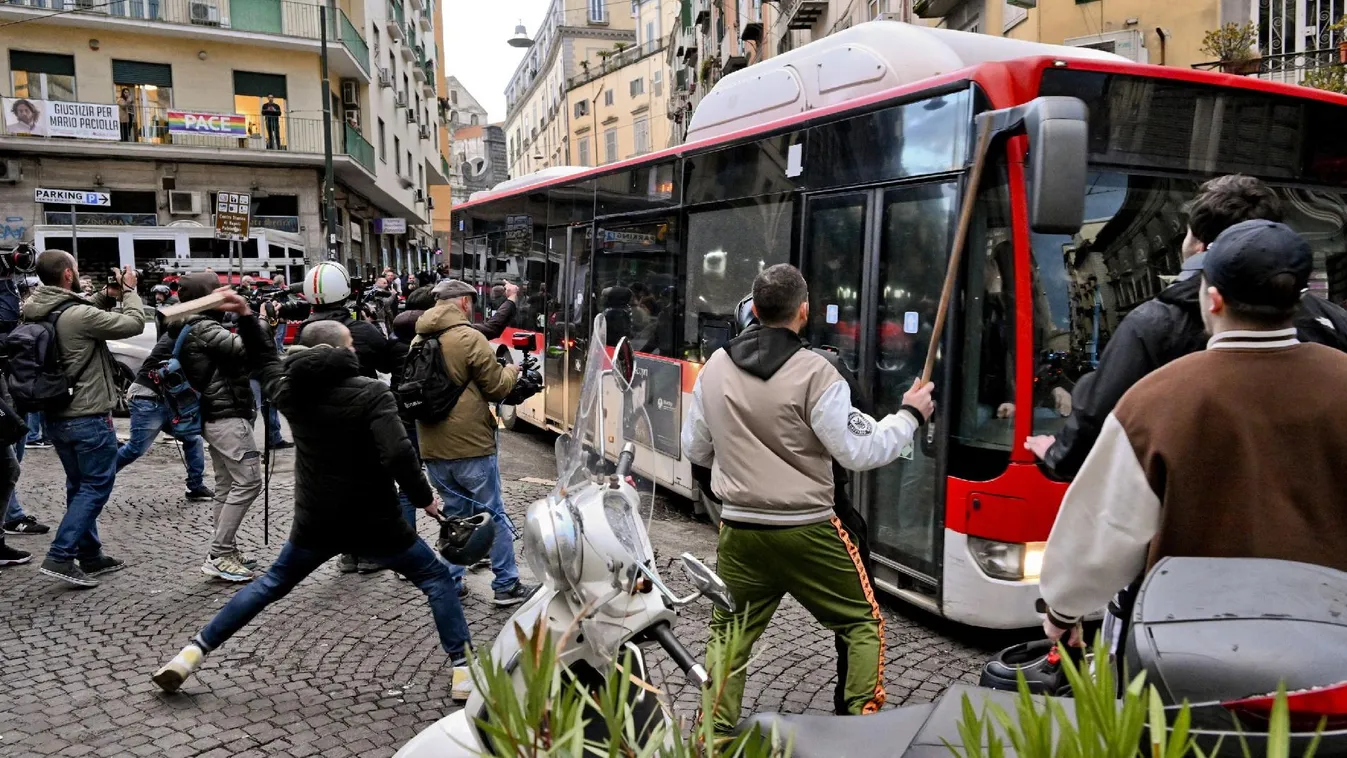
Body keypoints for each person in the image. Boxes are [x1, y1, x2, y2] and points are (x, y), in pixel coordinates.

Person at [1039, 220, 1347, 645]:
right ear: (1296, 299)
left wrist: (1062, 610)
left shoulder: (1155, 399)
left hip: (1192, 644)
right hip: (1330, 639)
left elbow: (1105, 531)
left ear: (1213, 299)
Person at [151, 297, 475, 698]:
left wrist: (248, 317)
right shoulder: (372, 393)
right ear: (343, 352)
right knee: (434, 578)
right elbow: (397, 453)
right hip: (377, 520)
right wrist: (424, 498)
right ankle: (462, 670)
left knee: (270, 584)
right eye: (352, 347)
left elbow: (262, 360)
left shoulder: (290, 392)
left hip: (316, 519)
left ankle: (189, 655)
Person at [681, 264, 935, 732]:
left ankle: (710, 732)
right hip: (809, 529)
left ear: (753, 310)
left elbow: (695, 448)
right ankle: (862, 731)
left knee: (728, 631)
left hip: (740, 530)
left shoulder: (714, 366)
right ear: (804, 310)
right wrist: (910, 414)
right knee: (862, 624)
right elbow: (861, 449)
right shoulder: (818, 372)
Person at [1026, 174, 1347, 477]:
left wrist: (1059, 454)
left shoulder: (1155, 325)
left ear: (1198, 246)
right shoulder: (1329, 321)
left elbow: (1101, 422)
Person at [27, 252, 146, 587]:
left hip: (56, 414)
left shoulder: (37, 308)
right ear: (68, 274)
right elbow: (133, 324)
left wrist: (106, 295)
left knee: (78, 486)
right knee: (95, 486)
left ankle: (90, 555)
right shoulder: (76, 315)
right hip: (88, 415)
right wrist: (128, 291)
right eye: (76, 269)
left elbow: (75, 310)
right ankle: (61, 555)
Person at [414, 280, 535, 606]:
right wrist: (512, 369)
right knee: (491, 513)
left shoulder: (419, 337)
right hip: (470, 445)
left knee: (457, 517)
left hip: (432, 445)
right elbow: (496, 387)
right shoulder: (469, 337)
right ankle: (506, 584)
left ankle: (451, 582)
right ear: (464, 303)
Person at [294, 262, 399, 573]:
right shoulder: (362, 330)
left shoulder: (307, 331)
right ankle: (368, 553)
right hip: (360, 417)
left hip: (319, 420)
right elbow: (388, 361)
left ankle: (348, 552)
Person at [167, 274, 264, 583]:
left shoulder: (191, 325)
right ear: (206, 297)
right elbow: (247, 351)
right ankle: (220, 554)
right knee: (249, 482)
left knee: (226, 484)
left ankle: (226, 549)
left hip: (217, 415)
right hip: (225, 416)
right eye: (220, 292)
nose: (227, 296)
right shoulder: (206, 328)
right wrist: (256, 319)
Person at [114, 315, 213, 501]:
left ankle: (196, 486)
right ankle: (97, 480)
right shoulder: (185, 336)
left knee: (192, 438)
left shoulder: (179, 332)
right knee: (136, 448)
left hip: (164, 398)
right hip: (148, 396)